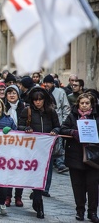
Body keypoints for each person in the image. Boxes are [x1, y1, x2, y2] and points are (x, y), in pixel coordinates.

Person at [18, 86, 60, 219]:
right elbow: (19, 126)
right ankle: (38, 202)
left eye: (40, 100)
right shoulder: (27, 111)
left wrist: (55, 131)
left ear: (44, 100)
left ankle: (38, 202)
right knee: (35, 175)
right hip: (31, 150)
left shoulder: (51, 112)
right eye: (35, 100)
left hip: (46, 150)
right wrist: (26, 128)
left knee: (42, 176)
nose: (38, 102)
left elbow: (58, 126)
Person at [60, 93, 99, 222]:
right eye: (82, 103)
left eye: (87, 103)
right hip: (75, 156)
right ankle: (80, 210)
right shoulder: (72, 116)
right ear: (78, 104)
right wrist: (73, 132)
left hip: (93, 157)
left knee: (93, 186)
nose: (84, 105)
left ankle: (92, 212)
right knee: (78, 186)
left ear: (91, 104)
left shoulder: (96, 117)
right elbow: (63, 129)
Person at [4, 85, 26, 207]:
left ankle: (19, 196)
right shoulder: (3, 107)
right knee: (8, 171)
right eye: (9, 93)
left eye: (14, 93)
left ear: (18, 95)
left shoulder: (24, 108)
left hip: (21, 143)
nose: (12, 95)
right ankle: (8, 196)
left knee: (19, 170)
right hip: (7, 144)